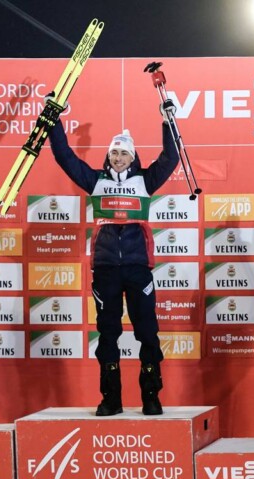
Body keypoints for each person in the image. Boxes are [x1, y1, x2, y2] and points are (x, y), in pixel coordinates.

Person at [48, 100, 180, 416]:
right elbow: (65, 158)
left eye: (123, 153)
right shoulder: (96, 181)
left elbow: (171, 157)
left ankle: (151, 396)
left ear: (133, 157)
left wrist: (168, 122)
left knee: (147, 331)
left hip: (138, 268)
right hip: (106, 268)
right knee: (108, 333)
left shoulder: (145, 181)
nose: (118, 158)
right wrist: (54, 123)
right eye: (114, 153)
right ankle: (111, 399)